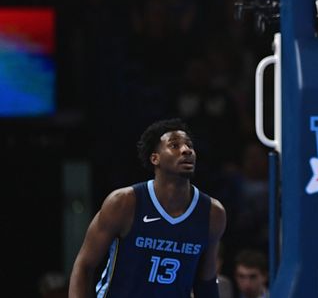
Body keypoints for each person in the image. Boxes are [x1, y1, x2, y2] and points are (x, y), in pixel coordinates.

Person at [69, 118, 226, 298]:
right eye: (174, 145)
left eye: (189, 145)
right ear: (155, 158)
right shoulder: (124, 203)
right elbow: (84, 265)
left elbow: (206, 282)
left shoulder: (213, 213)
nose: (186, 150)